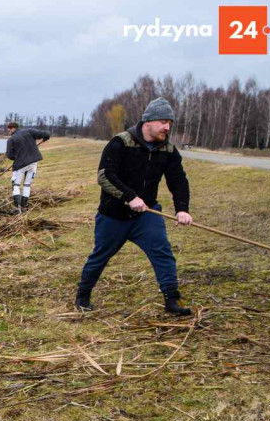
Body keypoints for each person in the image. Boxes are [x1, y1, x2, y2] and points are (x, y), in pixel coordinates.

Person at [76, 97, 193, 316]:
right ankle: (83, 294)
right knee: (100, 256)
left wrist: (182, 209)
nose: (167, 127)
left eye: (170, 122)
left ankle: (172, 300)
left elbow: (178, 180)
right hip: (113, 215)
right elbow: (105, 176)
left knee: (163, 252)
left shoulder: (167, 149)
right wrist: (130, 197)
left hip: (146, 215)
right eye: (163, 121)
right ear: (147, 121)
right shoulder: (121, 142)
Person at [5, 122, 51, 213]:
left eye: (9, 129)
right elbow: (46, 134)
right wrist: (46, 137)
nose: (8, 130)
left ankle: (17, 209)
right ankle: (24, 207)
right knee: (27, 185)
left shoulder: (11, 140)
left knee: (16, 185)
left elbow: (10, 155)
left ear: (13, 128)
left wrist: (17, 157)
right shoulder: (29, 131)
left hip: (20, 165)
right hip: (33, 163)